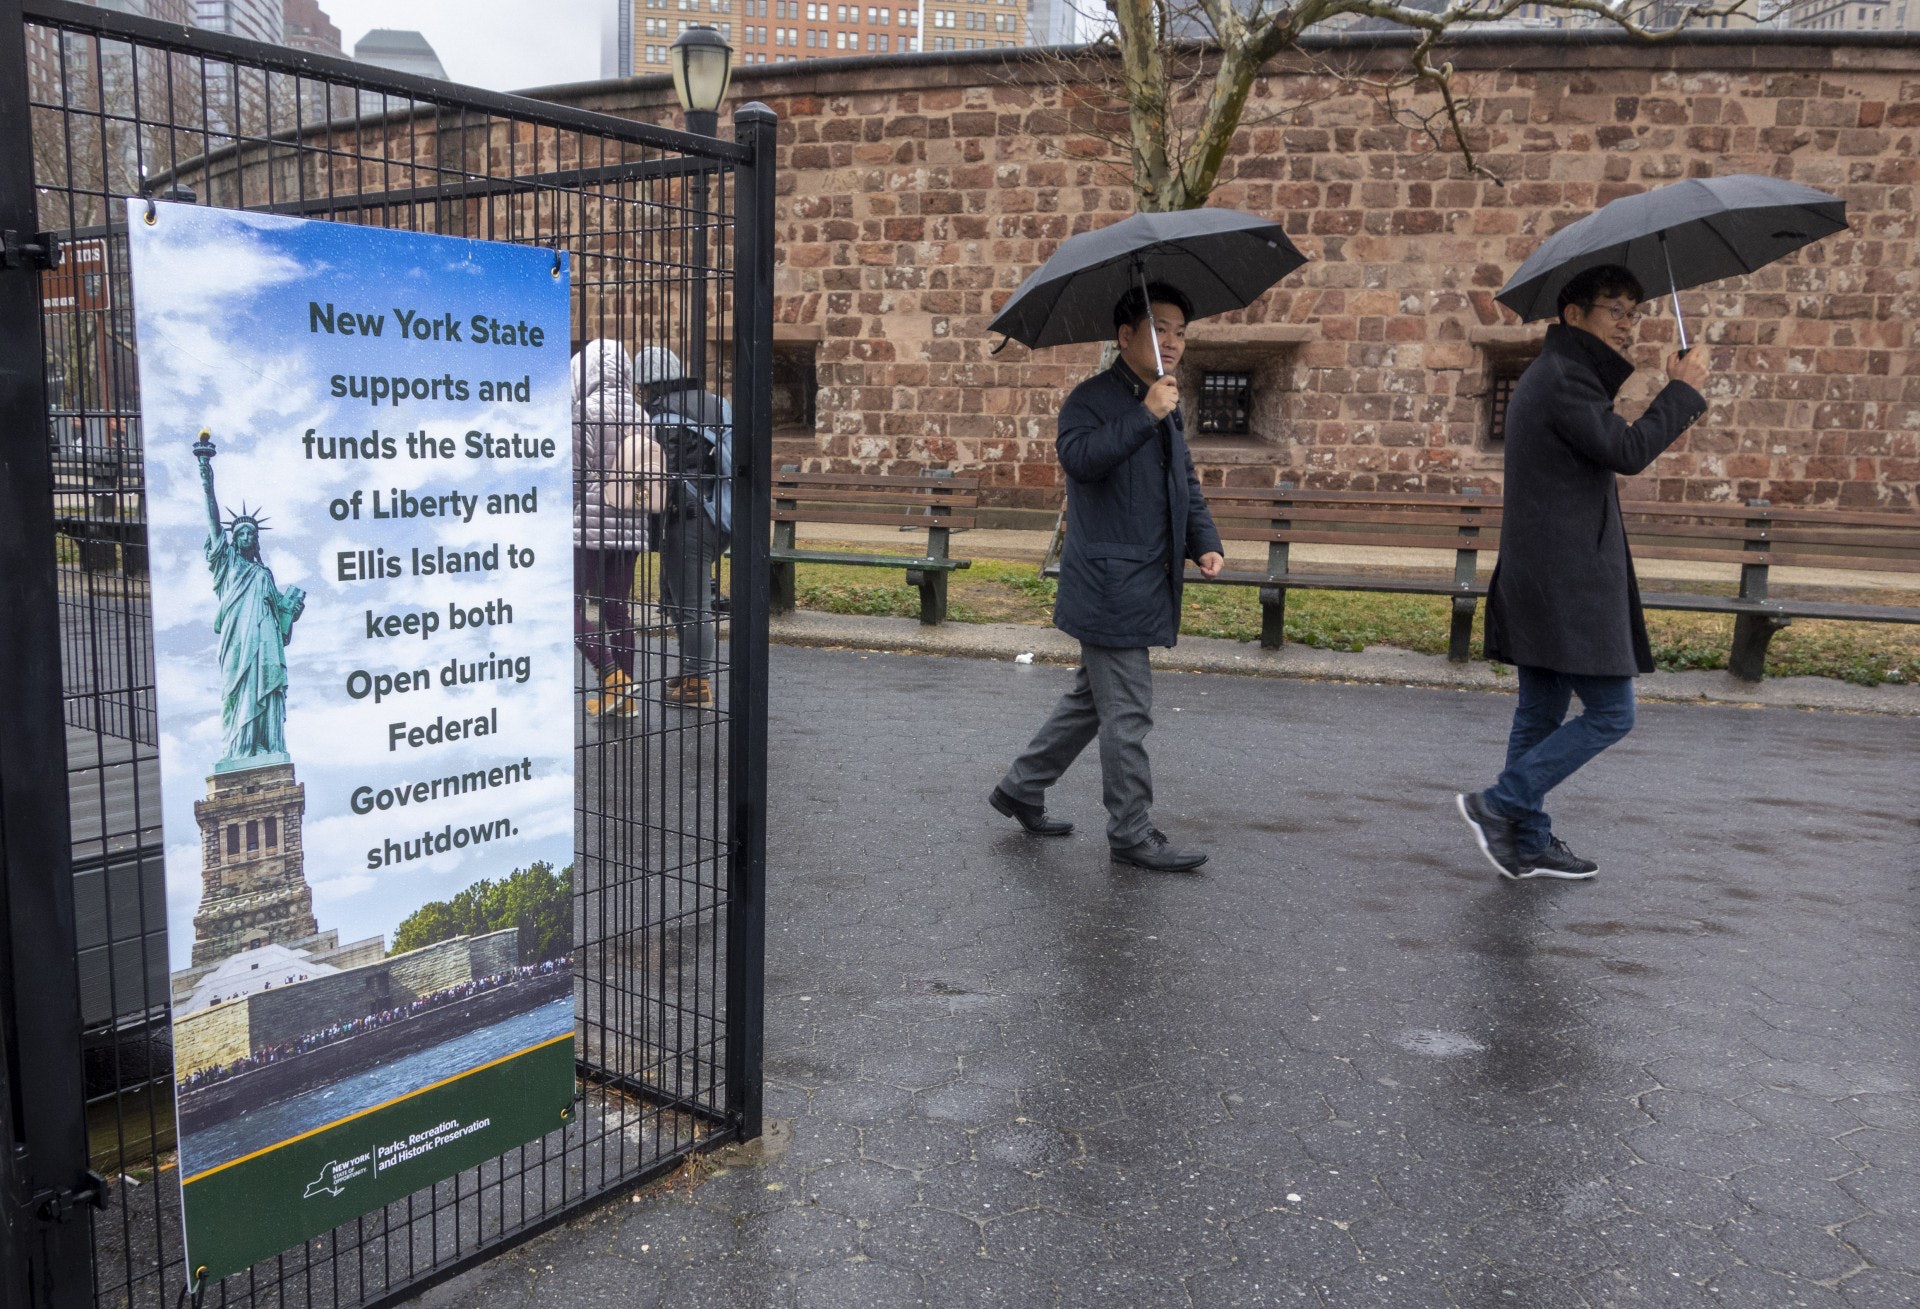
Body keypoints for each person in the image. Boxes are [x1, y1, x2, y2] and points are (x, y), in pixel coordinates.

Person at [1457, 264, 1710, 881]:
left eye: (1634, 311)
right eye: (1615, 310)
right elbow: (1625, 451)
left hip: (1546, 572)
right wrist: (1683, 392)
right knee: (1612, 714)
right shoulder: (1563, 379)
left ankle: (1525, 840)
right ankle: (1500, 805)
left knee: (1540, 714)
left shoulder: (1563, 375)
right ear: (1573, 315)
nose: (1629, 324)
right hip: (1564, 580)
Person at [990, 283, 1225, 873]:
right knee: (1129, 711)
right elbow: (1081, 460)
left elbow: (1184, 483)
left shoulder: (1166, 403)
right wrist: (1145, 415)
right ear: (1125, 337)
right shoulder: (1091, 401)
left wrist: (1205, 542)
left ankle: (1022, 786)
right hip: (1109, 583)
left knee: (1091, 701)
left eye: (1180, 332)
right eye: (1159, 328)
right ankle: (1131, 830)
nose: (1171, 342)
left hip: (1148, 576)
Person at [633, 345, 732, 711]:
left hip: (688, 519)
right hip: (718, 513)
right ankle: (690, 671)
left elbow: (663, 479)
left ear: (652, 384)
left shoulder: (664, 416)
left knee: (691, 604)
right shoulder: (716, 402)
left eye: (642, 388)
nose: (640, 394)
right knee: (673, 594)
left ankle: (697, 683)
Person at [572, 340, 651, 719]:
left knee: (565, 605)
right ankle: (626, 698)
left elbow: (574, 474)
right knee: (617, 609)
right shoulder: (641, 414)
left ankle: (610, 676)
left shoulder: (583, 411)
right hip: (632, 523)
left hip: (588, 527)